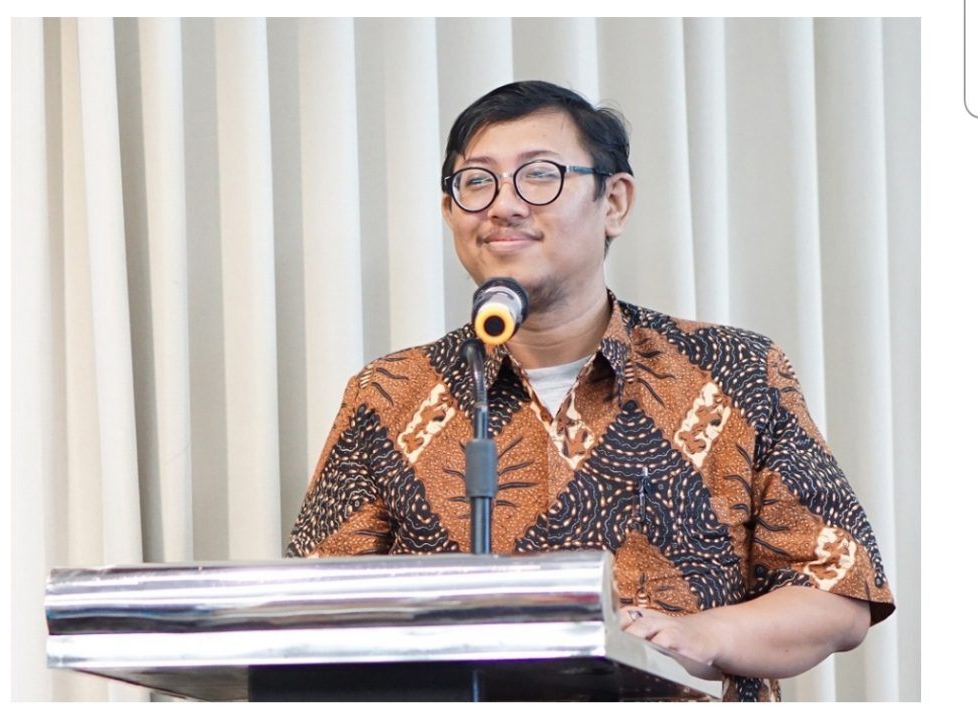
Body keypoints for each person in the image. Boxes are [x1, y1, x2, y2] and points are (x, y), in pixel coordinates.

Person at [285, 80, 894, 701]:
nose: (504, 205)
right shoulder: (389, 394)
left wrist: (695, 636)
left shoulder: (735, 371)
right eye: (477, 181)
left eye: (539, 176)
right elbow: (315, 615)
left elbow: (838, 590)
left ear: (615, 202)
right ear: (450, 210)